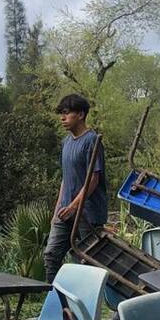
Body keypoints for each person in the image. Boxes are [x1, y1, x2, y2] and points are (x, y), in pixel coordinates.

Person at [43, 94, 107, 283]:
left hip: (87, 214)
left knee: (85, 261)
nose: (62, 118)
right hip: (65, 212)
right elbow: (66, 178)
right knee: (51, 255)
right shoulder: (66, 142)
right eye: (61, 114)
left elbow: (93, 179)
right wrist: (58, 209)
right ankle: (56, 301)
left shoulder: (92, 141)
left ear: (80, 114)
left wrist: (74, 207)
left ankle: (83, 302)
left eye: (66, 113)